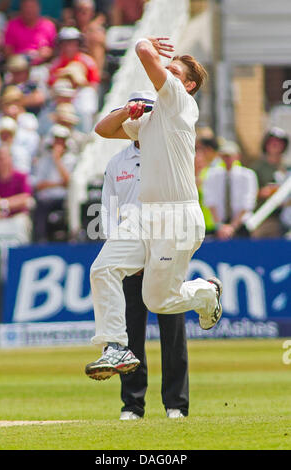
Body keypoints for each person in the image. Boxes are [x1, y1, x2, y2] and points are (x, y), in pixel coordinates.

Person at [85, 37, 223, 381]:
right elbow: (103, 130)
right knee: (103, 269)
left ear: (187, 85)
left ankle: (206, 291)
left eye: (174, 71)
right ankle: (115, 346)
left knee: (159, 301)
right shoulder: (150, 120)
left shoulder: (180, 103)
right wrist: (126, 111)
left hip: (178, 217)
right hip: (145, 215)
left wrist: (148, 44)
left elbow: (145, 52)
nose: (166, 73)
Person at [101, 91, 189, 419]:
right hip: (130, 251)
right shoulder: (116, 162)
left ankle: (176, 405)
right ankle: (132, 404)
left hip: (165, 248)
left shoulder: (167, 153)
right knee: (131, 331)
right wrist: (121, 253)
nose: (140, 120)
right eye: (134, 114)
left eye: (145, 113)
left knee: (172, 329)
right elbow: (108, 211)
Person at [203, 140, 258, 240]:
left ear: (237, 156)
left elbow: (247, 203)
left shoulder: (247, 175)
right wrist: (220, 226)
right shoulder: (212, 175)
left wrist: (232, 227)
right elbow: (210, 202)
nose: (227, 159)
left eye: (230, 155)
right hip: (218, 227)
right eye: (224, 156)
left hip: (242, 226)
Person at [33, 123, 77, 241]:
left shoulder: (71, 160)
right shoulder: (43, 160)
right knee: (39, 205)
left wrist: (57, 160)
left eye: (61, 141)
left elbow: (69, 182)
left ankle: (71, 238)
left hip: (64, 198)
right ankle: (40, 240)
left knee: (72, 205)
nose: (59, 144)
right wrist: (58, 184)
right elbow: (38, 185)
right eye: (56, 141)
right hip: (46, 199)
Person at [251, 127, 289, 238]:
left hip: (286, 217)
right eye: (272, 142)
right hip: (264, 217)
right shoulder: (257, 168)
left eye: (279, 142)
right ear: (266, 144)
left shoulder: (287, 169)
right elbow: (249, 194)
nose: (275, 145)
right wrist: (263, 192)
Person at [0, 144, 33, 245]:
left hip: (16, 217)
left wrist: (2, 203)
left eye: (3, 158)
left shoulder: (21, 176)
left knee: (21, 223)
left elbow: (25, 199)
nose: (1, 162)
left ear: (10, 158)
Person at [4, 0, 57, 65]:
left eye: (32, 7)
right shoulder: (12, 25)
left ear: (38, 8)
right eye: (26, 7)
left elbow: (55, 51)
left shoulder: (48, 26)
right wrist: (24, 55)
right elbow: (7, 52)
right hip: (19, 66)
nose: (29, 10)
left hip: (42, 65)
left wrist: (47, 53)